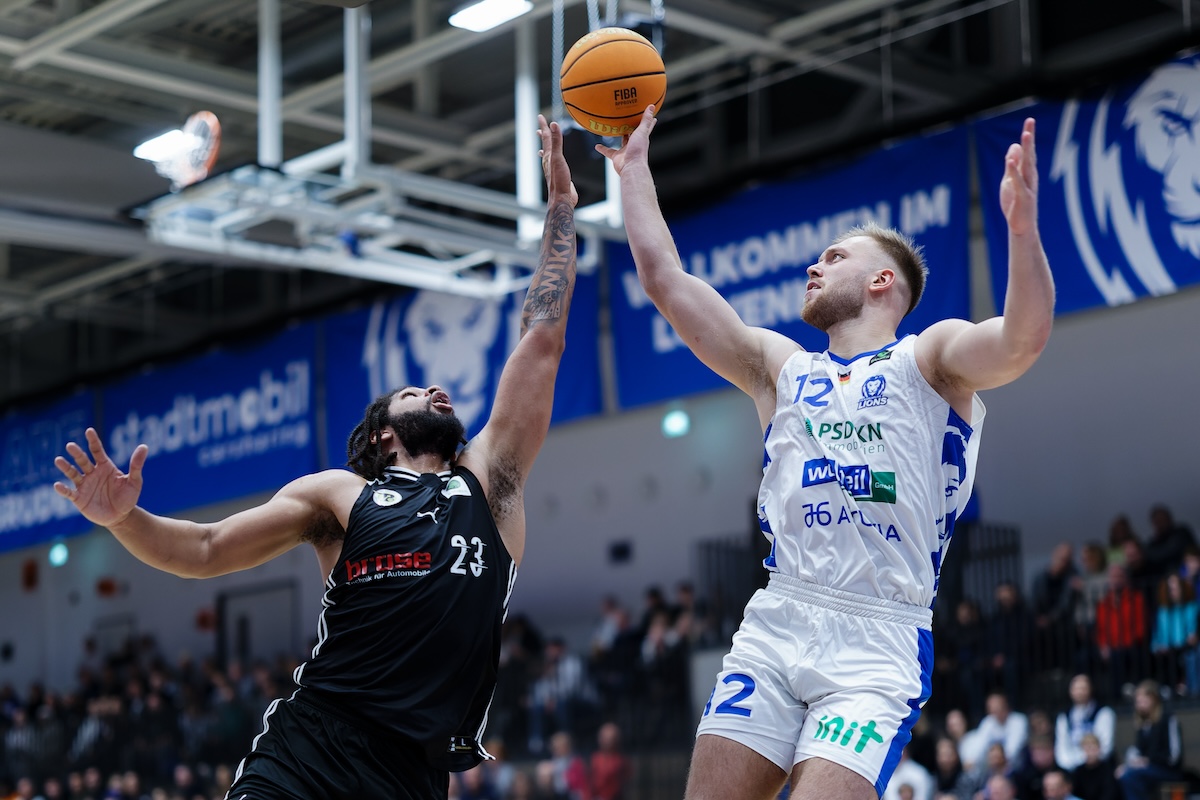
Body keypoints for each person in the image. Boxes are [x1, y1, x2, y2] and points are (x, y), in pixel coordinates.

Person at [49, 114, 581, 800]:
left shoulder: (491, 482)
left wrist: (561, 207)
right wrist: (126, 518)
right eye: (415, 392)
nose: (436, 391)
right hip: (310, 749)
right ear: (384, 434)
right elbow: (206, 549)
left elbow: (541, 338)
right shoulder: (340, 495)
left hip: (413, 776)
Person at [598, 106, 1053, 800]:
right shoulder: (781, 368)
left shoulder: (928, 360)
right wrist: (633, 171)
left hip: (879, 639)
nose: (815, 265)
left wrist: (1022, 234)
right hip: (781, 615)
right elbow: (666, 282)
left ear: (882, 282)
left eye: (836, 256)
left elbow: (1021, 342)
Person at [1115, 680, 1184, 800]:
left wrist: (1149, 761)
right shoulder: (1143, 724)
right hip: (1149, 769)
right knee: (1123, 774)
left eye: (1143, 701)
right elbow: (1138, 751)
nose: (1140, 705)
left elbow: (1174, 756)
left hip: (1168, 770)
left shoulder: (1168, 719)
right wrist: (1129, 764)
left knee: (1130, 776)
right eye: (1138, 702)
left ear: (1153, 699)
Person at [1053, 675, 1115, 773]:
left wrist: (1086, 761)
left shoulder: (1104, 713)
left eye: (1083, 688)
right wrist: (1071, 765)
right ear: (1070, 691)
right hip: (1070, 769)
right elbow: (1061, 749)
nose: (1080, 692)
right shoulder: (1064, 716)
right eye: (1076, 689)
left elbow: (1105, 747)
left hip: (1098, 767)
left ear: (1091, 689)